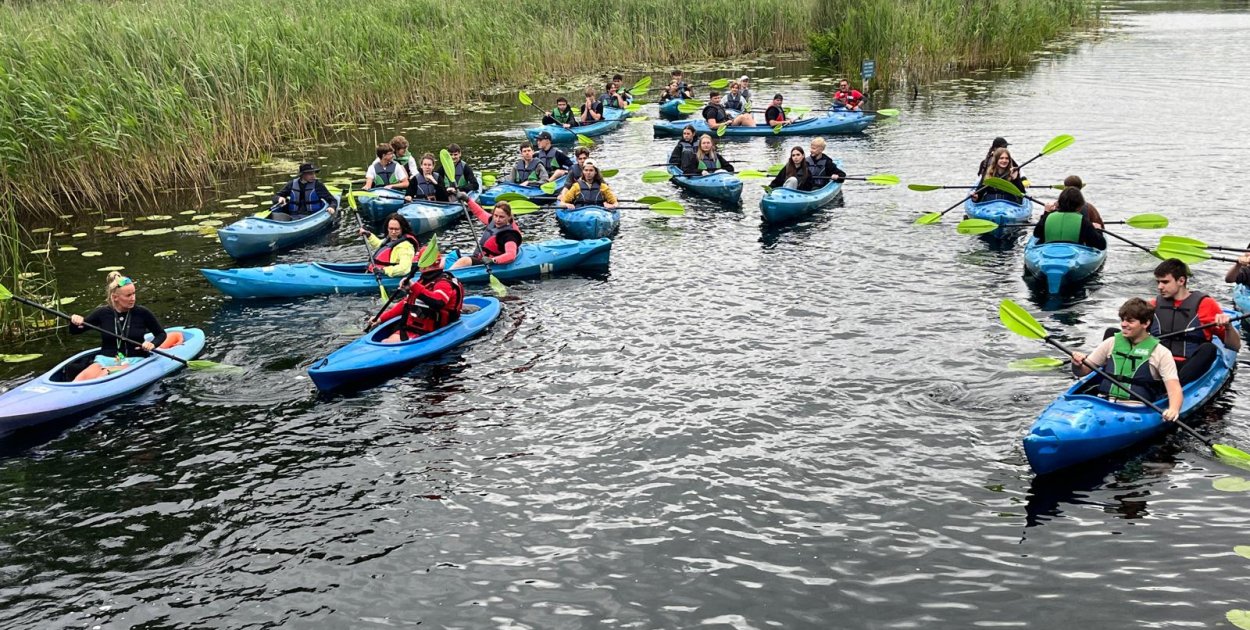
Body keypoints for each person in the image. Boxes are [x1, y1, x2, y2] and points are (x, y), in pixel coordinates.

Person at [1071, 298, 1182, 420]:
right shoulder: (1111, 343)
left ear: (1145, 323)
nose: (1123, 324)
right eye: (1123, 320)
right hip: (1101, 403)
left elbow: (1174, 389)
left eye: (1130, 321)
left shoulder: (1161, 353)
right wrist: (1077, 364)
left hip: (1135, 410)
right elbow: (1082, 372)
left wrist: (1173, 409)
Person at [67, 273, 176, 382]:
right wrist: (75, 321)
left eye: (134, 294)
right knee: (81, 378)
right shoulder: (102, 313)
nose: (133, 298)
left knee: (104, 374)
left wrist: (152, 344)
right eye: (128, 295)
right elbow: (74, 331)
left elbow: (161, 334)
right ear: (115, 297)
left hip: (134, 361)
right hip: (105, 359)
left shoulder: (142, 313)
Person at [1150, 258, 1241, 383]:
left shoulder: (1206, 305)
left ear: (1181, 280)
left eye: (1165, 282)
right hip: (1159, 363)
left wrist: (1228, 327)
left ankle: (1174, 387)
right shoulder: (1153, 304)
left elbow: (1235, 346)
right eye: (1158, 282)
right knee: (1113, 333)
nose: (1160, 287)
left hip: (1188, 365)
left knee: (1209, 348)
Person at [370, 243, 464, 343]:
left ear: (422, 265)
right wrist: (381, 318)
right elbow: (406, 303)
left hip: (433, 329)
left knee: (386, 342)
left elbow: (438, 302)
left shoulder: (443, 283)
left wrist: (413, 286)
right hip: (419, 326)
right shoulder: (424, 281)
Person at [450, 196, 523, 269]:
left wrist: (493, 260)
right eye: (496, 215)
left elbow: (511, 255)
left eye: (501, 217)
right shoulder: (493, 221)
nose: (497, 219)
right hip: (481, 257)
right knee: (450, 257)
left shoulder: (509, 235)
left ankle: (446, 276)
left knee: (465, 260)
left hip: (491, 263)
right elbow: (480, 213)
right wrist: (467, 199)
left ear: (509, 217)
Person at [1032, 187, 1106, 250]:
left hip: (1049, 252)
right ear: (1080, 206)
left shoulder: (1048, 217)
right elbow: (1101, 245)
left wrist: (1046, 213)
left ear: (1059, 203)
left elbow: (1037, 234)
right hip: (1073, 255)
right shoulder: (1083, 222)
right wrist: (1097, 230)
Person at [359, 213, 419, 278]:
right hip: (380, 272)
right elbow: (380, 245)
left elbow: (404, 269)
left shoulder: (406, 247)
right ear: (387, 228)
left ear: (402, 229)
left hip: (390, 276)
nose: (393, 232)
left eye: (396, 229)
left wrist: (383, 271)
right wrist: (369, 235)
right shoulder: (391, 239)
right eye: (391, 229)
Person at [273, 163, 338, 221]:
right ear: (302, 175)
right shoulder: (291, 184)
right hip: (293, 215)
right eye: (310, 174)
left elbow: (332, 200)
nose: (314, 176)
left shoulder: (318, 185)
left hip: (312, 216)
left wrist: (332, 207)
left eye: (314, 173)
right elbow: (275, 197)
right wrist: (279, 198)